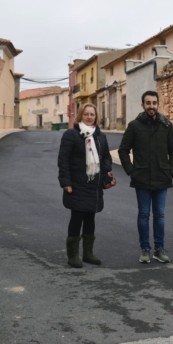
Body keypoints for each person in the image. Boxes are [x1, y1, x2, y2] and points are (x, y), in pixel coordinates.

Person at [119, 90, 173, 264]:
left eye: (154, 103)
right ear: (143, 105)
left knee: (160, 215)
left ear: (158, 104)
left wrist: (172, 170)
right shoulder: (134, 126)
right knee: (144, 214)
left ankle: (159, 249)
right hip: (142, 178)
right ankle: (145, 249)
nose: (151, 106)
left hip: (162, 177)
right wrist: (131, 170)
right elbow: (123, 150)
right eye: (148, 103)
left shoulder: (167, 125)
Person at [58, 103, 115, 268]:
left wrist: (106, 175)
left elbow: (106, 158)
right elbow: (63, 160)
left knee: (90, 218)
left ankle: (88, 254)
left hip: (93, 185)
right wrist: (65, 182)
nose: (89, 117)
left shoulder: (100, 136)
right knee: (76, 218)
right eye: (86, 114)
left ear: (96, 117)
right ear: (80, 116)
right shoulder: (71, 135)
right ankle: (73, 255)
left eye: (92, 114)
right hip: (76, 184)